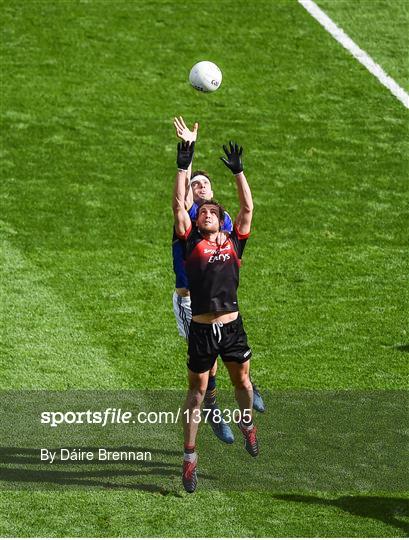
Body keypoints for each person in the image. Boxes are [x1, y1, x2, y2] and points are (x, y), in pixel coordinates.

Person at [171, 118, 265, 447]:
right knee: (203, 378)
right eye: (200, 205)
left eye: (208, 197)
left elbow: (246, 208)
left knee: (238, 375)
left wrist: (239, 171)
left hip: (228, 318)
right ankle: (211, 408)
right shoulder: (189, 235)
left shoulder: (227, 234)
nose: (203, 202)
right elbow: (180, 203)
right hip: (193, 308)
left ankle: (244, 403)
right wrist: (186, 155)